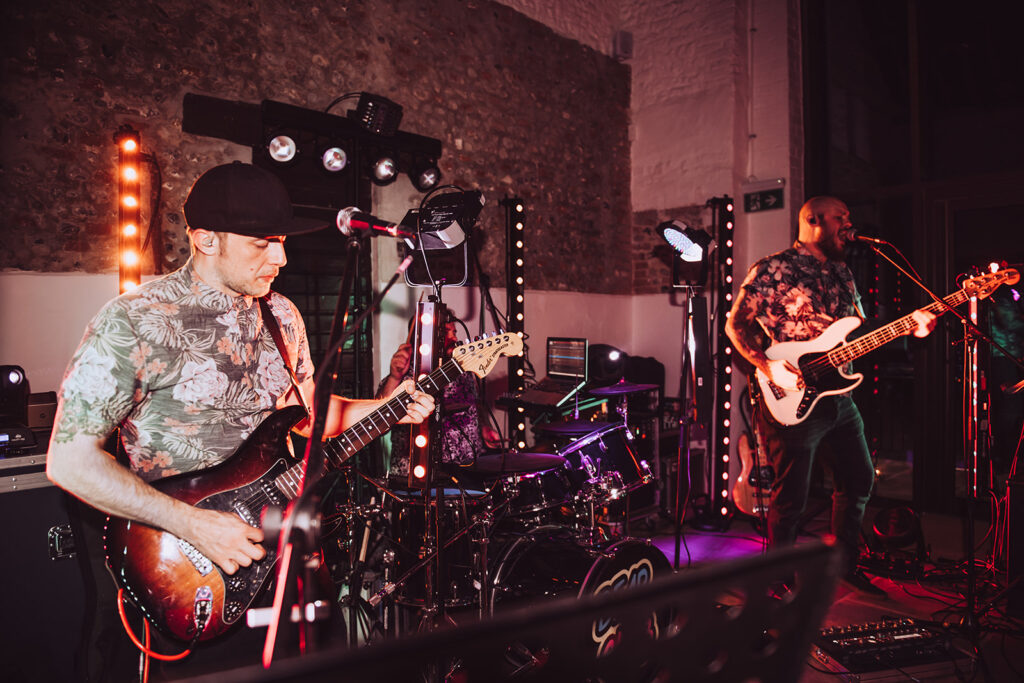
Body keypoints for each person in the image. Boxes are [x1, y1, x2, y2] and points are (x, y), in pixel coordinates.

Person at [46, 161, 434, 678]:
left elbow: (311, 416)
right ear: (206, 240)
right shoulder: (135, 320)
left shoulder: (283, 315)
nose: (281, 257)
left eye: (282, 240)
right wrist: (194, 524)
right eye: (262, 242)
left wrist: (391, 407)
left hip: (286, 565)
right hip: (192, 566)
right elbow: (69, 461)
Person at [725, 196, 937, 596]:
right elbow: (736, 324)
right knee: (790, 500)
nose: (848, 224)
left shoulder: (842, 272)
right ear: (813, 221)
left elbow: (856, 332)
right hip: (789, 394)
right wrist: (767, 366)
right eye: (841, 218)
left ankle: (843, 562)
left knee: (857, 481)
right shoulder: (773, 268)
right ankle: (778, 577)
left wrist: (909, 325)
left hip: (838, 397)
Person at [377, 316, 499, 479]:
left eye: (454, 332)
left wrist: (484, 427)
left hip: (467, 471)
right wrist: (394, 377)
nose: (454, 338)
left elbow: (475, 404)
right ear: (423, 338)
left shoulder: (465, 370)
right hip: (414, 477)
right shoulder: (405, 375)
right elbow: (379, 421)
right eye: (446, 333)